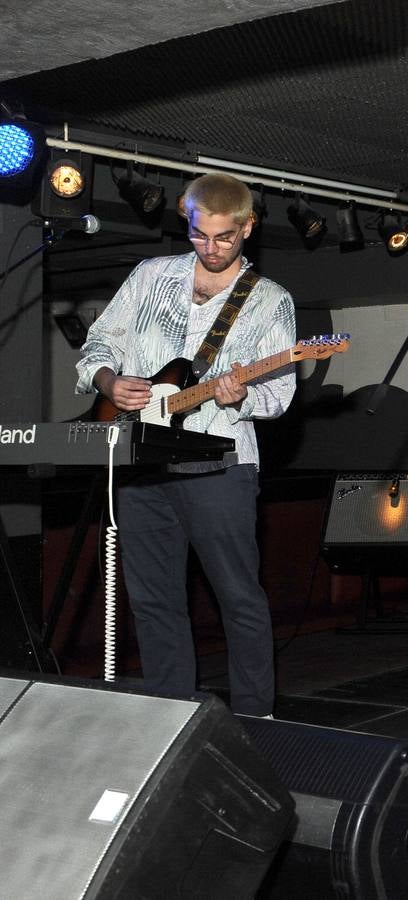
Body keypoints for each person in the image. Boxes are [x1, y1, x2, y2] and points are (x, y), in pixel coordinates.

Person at [75, 173, 296, 718]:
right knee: (153, 602)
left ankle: (255, 720)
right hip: (140, 463)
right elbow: (98, 342)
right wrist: (108, 382)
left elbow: (281, 393)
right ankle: (170, 720)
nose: (213, 248)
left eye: (225, 237)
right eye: (200, 236)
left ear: (248, 226)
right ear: (185, 219)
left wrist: (241, 394)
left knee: (238, 598)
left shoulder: (269, 301)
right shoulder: (151, 276)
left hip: (220, 465)